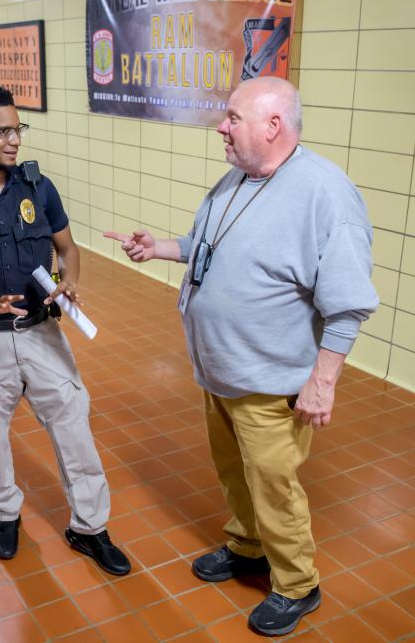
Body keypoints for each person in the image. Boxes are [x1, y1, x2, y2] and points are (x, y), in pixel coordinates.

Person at [105, 76, 378, 636]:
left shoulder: (325, 194)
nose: (221, 127)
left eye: (232, 117)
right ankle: (248, 547)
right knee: (236, 474)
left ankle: (297, 584)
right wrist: (161, 247)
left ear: (273, 125)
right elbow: (207, 246)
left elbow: (348, 306)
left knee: (274, 484)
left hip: (271, 380)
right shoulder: (239, 178)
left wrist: (322, 381)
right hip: (221, 371)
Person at [0, 85, 130, 576]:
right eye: (4, 130)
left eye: (19, 128)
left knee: (74, 425)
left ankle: (90, 528)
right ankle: (7, 514)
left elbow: (68, 249)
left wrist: (67, 282)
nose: (15, 140)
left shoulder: (39, 188)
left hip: (42, 333)